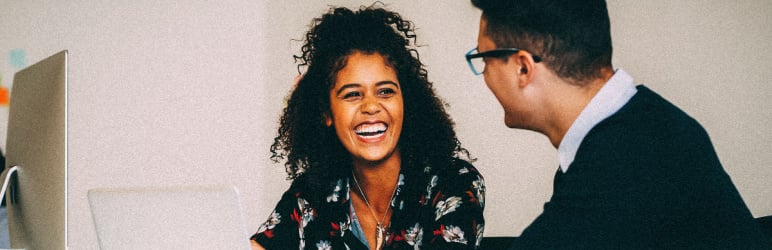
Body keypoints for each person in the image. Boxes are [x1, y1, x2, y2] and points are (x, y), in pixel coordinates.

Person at [466, 0, 771, 248]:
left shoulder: (630, 156)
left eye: (485, 60)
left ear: (522, 67)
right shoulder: (643, 128)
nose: (486, 77)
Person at [251, 5, 485, 250]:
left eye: (385, 91)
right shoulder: (312, 193)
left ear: (406, 102)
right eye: (352, 94)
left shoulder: (452, 182)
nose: (371, 107)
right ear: (326, 113)